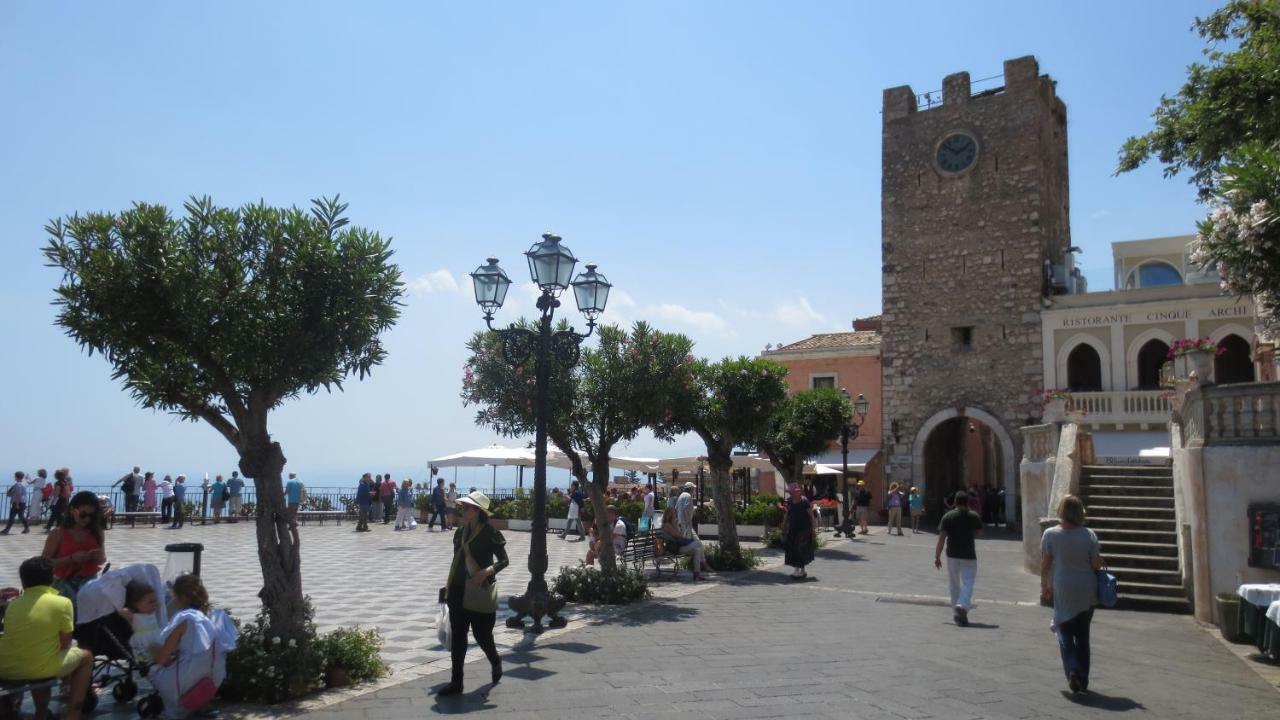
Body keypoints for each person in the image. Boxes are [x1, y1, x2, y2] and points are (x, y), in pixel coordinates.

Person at [0, 556, 94, 720]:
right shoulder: (62, 603)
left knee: (39, 659)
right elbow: (65, 643)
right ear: (52, 578)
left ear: (23, 583)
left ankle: (36, 711)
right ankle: (73, 713)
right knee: (86, 657)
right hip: (41, 666)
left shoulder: (13, 605)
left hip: (7, 667)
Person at [437, 491, 508, 696]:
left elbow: (504, 560)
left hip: (479, 591)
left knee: (482, 636)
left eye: (467, 507)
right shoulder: (459, 533)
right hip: (458, 591)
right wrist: (447, 586)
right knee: (458, 638)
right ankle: (456, 682)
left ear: (477, 511)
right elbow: (456, 562)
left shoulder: (490, 532)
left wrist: (487, 571)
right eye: (463, 506)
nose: (463, 510)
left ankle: (495, 661)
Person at [147, 574, 237, 718]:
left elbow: (163, 659)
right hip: (213, 681)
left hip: (185, 683)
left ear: (181, 598)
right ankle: (200, 705)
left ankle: (174, 707)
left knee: (152, 651)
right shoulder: (219, 615)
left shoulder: (185, 619)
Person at [1041, 495, 1103, 694]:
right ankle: (1082, 677)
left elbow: (1046, 565)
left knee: (1064, 632)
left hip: (1063, 586)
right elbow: (1095, 564)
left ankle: (1073, 669)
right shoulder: (1089, 534)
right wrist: (1102, 562)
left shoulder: (1050, 534)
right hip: (1086, 588)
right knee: (1083, 635)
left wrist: (1044, 586)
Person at [42, 491, 106, 609]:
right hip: (64, 583)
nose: (87, 519)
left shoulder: (97, 532)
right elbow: (44, 563)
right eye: (83, 514)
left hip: (89, 583)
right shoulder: (58, 533)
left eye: (91, 516)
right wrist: (71, 559)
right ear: (72, 510)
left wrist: (98, 557)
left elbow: (102, 559)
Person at [934, 490, 983, 626]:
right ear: (967, 502)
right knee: (968, 582)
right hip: (968, 555)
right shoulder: (973, 516)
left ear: (955, 502)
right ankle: (962, 606)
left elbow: (942, 538)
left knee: (954, 584)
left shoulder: (948, 516)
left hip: (952, 555)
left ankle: (957, 611)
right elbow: (979, 532)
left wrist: (937, 556)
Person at [658, 505, 711, 579]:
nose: (675, 515)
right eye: (673, 513)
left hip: (680, 546)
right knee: (698, 543)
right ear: (669, 515)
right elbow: (678, 536)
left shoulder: (672, 524)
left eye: (675, 513)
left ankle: (697, 573)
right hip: (675, 548)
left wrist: (676, 525)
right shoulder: (667, 525)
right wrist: (675, 525)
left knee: (697, 550)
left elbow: (680, 535)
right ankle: (703, 563)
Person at [119, 580, 163, 665]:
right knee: (144, 659)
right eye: (150, 602)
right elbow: (120, 610)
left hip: (157, 637)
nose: (154, 604)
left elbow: (160, 602)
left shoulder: (154, 611)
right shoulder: (133, 616)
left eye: (155, 601)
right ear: (136, 604)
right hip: (142, 641)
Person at [781, 483, 817, 579]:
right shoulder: (789, 502)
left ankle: (799, 570)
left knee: (801, 549)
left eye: (796, 491)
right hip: (793, 530)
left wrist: (813, 528)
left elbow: (811, 515)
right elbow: (787, 515)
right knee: (794, 550)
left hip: (804, 530)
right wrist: (784, 526)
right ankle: (800, 570)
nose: (794, 493)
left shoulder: (805, 501)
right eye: (792, 492)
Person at [3, 470, 31, 534]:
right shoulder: (23, 483)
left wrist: (17, 504)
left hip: (17, 502)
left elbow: (18, 494)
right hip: (23, 502)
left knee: (12, 516)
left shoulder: (17, 485)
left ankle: (7, 529)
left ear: (16, 477)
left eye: (15, 476)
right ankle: (26, 528)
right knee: (21, 516)